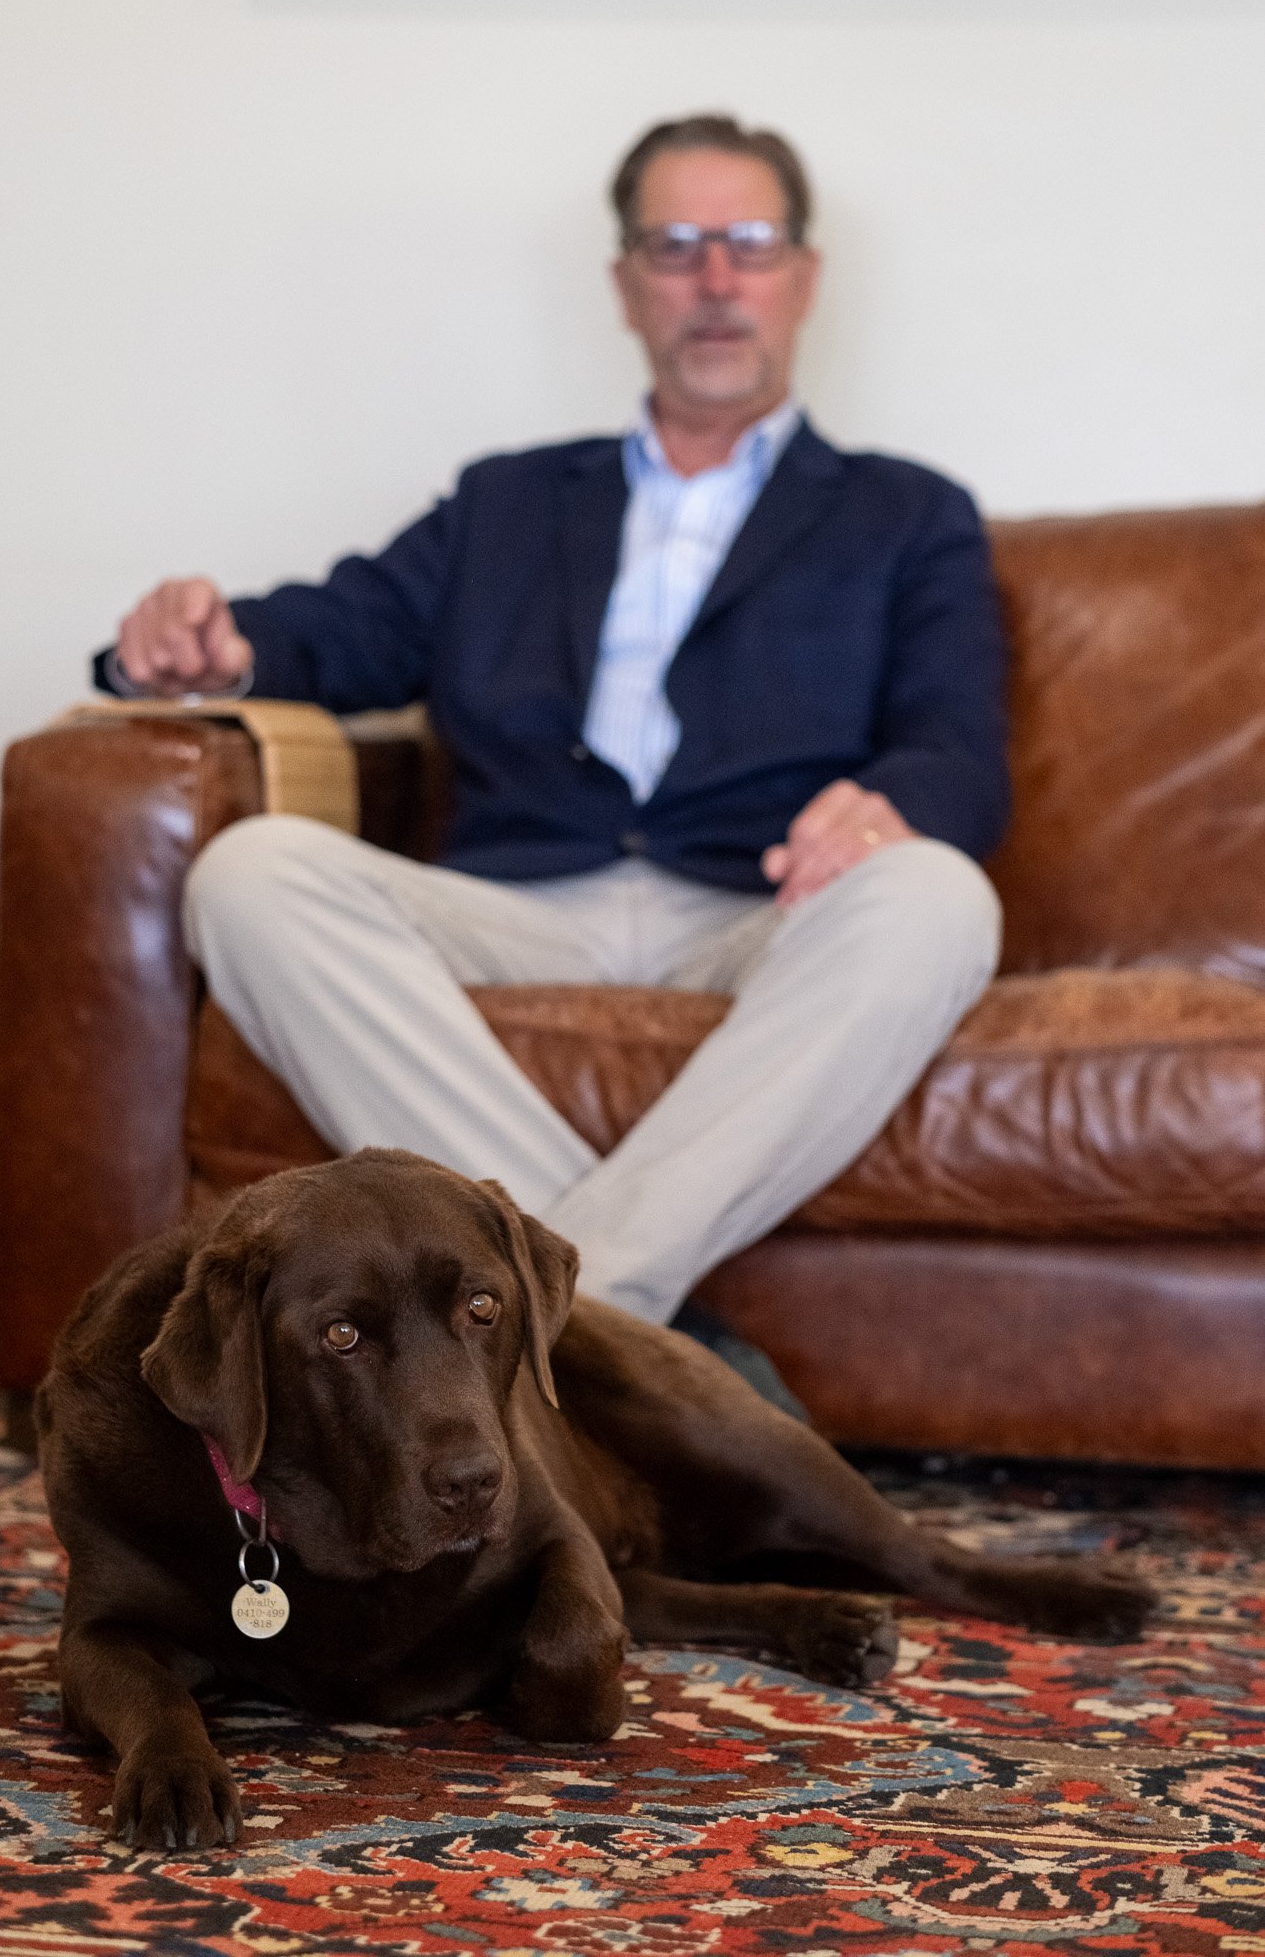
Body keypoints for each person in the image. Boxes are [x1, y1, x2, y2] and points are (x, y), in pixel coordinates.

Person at [98, 114, 1007, 1409]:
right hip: (517, 903)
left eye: (748, 244)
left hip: (759, 906)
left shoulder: (906, 513)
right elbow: (348, 627)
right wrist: (209, 644)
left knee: (938, 895)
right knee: (249, 874)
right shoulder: (509, 501)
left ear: (802, 277)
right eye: (674, 246)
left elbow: (960, 749)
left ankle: (585, 1323)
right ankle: (642, 1349)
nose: (713, 278)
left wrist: (892, 808)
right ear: (626, 284)